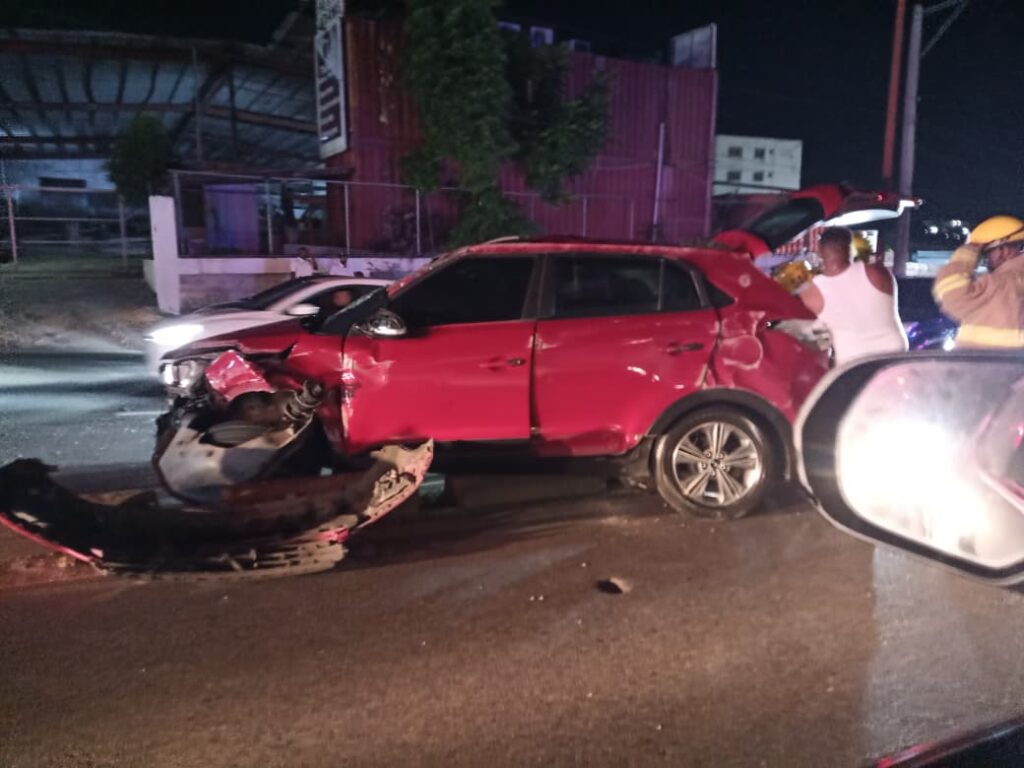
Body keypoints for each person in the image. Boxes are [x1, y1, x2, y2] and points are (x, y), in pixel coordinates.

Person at [798, 226, 908, 366]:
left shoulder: (810, 291)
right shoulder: (876, 272)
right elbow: (867, 257)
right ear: (851, 249)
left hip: (852, 361)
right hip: (893, 353)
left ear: (819, 251)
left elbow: (814, 331)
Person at [933, 215, 1024, 349]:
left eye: (987, 254)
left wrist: (968, 251)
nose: (986, 260)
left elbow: (951, 294)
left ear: (1003, 250)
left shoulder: (1002, 284)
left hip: (985, 367)